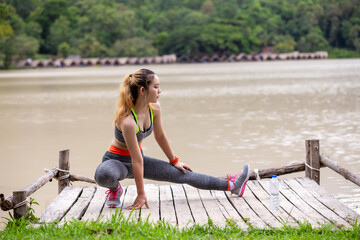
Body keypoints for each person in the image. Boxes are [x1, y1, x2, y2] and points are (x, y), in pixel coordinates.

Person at [94, 69, 250, 209]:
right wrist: (141, 194)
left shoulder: (154, 108)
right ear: (143, 90)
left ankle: (233, 185)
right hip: (116, 162)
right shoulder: (127, 121)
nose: (160, 91)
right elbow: (136, 160)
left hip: (138, 159)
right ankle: (115, 189)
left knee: (184, 174)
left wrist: (174, 160)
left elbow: (160, 136)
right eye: (155, 87)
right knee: (104, 174)